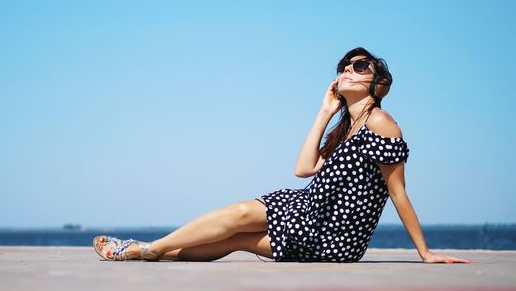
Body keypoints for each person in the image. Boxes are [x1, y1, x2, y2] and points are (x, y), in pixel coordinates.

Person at [93, 47, 472, 264]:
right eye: (344, 66)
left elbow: (398, 191)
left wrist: (425, 253)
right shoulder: (347, 129)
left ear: (379, 84)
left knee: (238, 226)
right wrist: (324, 111)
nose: (347, 70)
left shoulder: (381, 122)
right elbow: (303, 168)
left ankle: (143, 249)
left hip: (331, 235)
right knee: (236, 228)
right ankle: (152, 251)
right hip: (305, 208)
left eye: (360, 67)